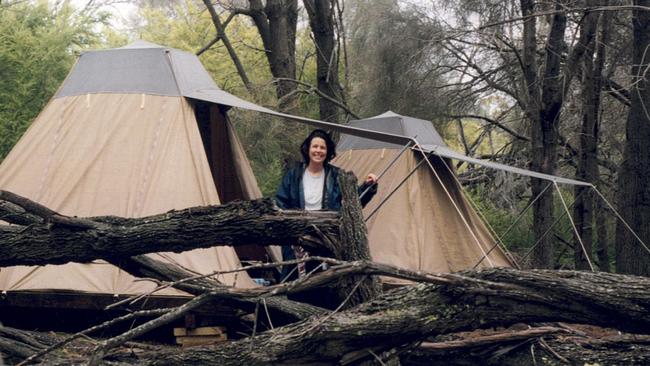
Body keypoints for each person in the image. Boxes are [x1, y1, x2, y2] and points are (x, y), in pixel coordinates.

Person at [275, 129, 378, 281]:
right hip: (298, 239)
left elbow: (352, 203)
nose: (318, 151)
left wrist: (368, 187)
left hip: (327, 237)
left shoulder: (337, 175)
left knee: (325, 283)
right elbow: (280, 203)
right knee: (296, 284)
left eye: (322, 147)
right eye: (315, 146)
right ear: (308, 149)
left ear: (328, 150)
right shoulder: (294, 175)